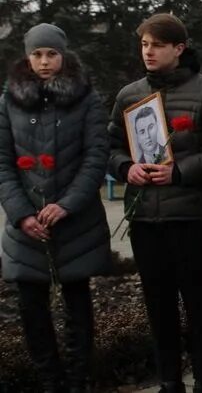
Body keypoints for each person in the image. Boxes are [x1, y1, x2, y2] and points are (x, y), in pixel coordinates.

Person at [108, 14, 202, 393]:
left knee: (195, 298)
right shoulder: (129, 95)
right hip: (144, 215)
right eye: (144, 44)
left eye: (157, 45)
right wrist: (126, 168)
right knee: (157, 301)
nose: (148, 51)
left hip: (189, 213)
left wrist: (180, 171)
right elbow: (110, 147)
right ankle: (169, 379)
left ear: (179, 48)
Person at [0, 24, 112, 393]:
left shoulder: (87, 99)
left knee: (77, 304)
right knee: (32, 309)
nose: (44, 62)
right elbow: (2, 162)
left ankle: (78, 380)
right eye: (37, 54)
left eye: (51, 54)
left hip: (74, 222)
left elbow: (96, 157)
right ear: (27, 56)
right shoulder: (8, 101)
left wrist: (66, 205)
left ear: (63, 55)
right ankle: (50, 381)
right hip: (26, 226)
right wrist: (22, 214)